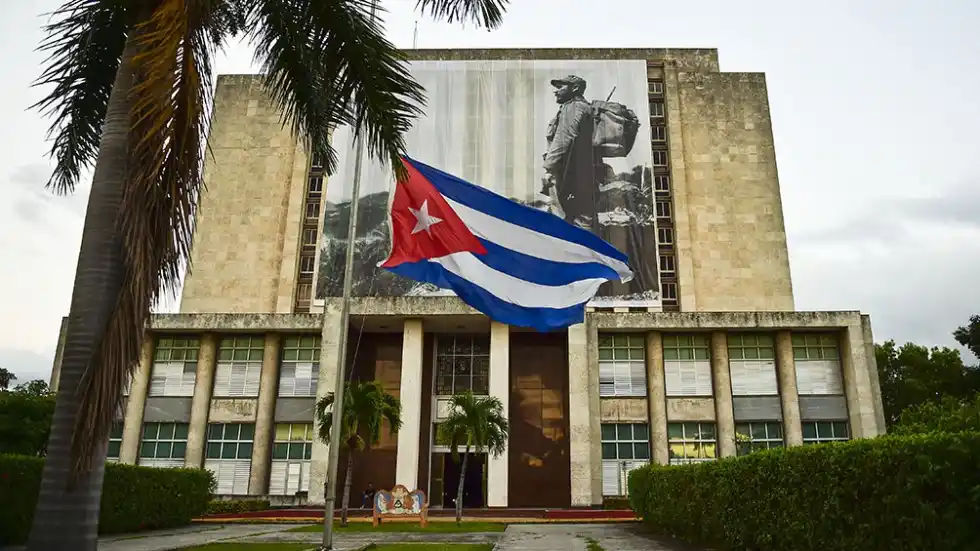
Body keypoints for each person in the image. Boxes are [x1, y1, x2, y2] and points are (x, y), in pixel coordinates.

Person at [542, 74, 599, 232]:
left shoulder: (572, 106)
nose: (556, 91)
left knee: (562, 219)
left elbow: (563, 138)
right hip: (584, 173)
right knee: (583, 219)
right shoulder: (585, 107)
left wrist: (549, 168)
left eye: (560, 87)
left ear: (574, 88)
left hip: (568, 174)